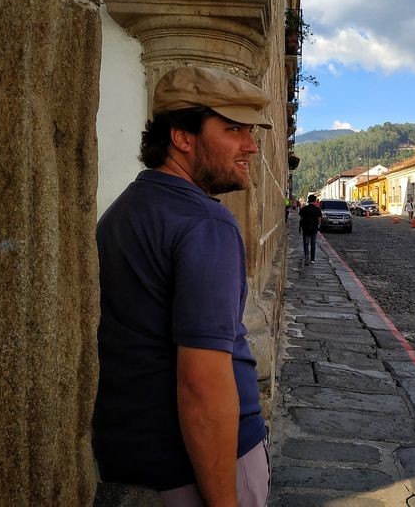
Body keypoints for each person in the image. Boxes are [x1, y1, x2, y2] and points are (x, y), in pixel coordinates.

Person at [92, 66, 272, 507]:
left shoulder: (126, 209)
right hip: (200, 467)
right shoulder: (204, 223)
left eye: (250, 131)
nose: (250, 145)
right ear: (182, 137)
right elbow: (202, 384)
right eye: (232, 129)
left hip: (134, 455)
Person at [298, 194, 322, 265]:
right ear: (314, 201)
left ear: (308, 200)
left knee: (306, 243)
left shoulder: (304, 208)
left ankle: (306, 257)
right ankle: (312, 259)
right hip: (314, 228)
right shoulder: (317, 209)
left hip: (305, 228)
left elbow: (301, 219)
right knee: (313, 243)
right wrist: (319, 225)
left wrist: (300, 227)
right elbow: (319, 218)